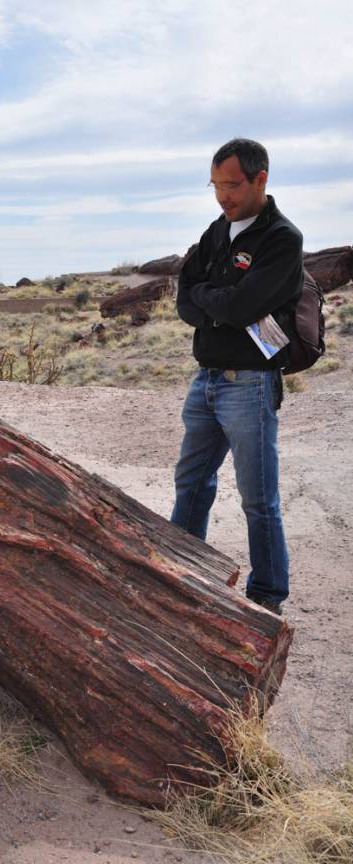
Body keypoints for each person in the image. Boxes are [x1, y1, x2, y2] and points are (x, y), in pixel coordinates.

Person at [170, 138, 303, 615]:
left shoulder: (282, 238)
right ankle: (180, 576)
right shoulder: (216, 232)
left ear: (259, 179)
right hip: (205, 379)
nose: (222, 196)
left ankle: (267, 596)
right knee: (191, 484)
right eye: (215, 186)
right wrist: (218, 302)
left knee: (257, 499)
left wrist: (213, 299)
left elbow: (243, 306)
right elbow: (185, 299)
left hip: (250, 382)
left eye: (231, 185)